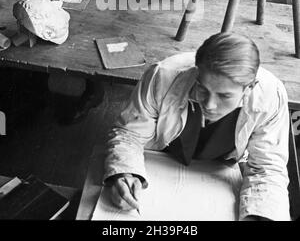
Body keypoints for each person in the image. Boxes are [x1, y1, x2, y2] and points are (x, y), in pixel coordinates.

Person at [103, 32, 290, 221]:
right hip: (161, 161)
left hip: (221, 171)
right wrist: (126, 171)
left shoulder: (270, 97)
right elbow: (129, 135)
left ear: (249, 88)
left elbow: (267, 167)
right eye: (202, 89)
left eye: (224, 96)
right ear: (196, 71)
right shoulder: (162, 76)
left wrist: (260, 215)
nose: (209, 105)